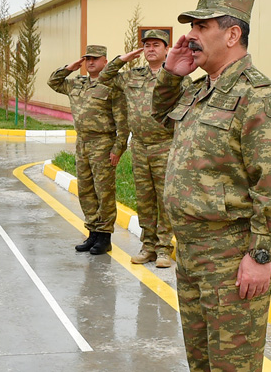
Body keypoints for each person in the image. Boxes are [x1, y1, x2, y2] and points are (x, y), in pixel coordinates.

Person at [152, 0, 271, 371]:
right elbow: (158, 118)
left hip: (229, 259)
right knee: (199, 362)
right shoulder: (200, 90)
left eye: (202, 26)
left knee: (232, 366)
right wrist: (171, 74)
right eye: (192, 26)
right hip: (190, 252)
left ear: (232, 35)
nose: (191, 36)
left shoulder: (259, 97)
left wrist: (260, 256)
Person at [99, 30, 189, 268]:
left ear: (166, 49)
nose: (151, 49)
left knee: (164, 199)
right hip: (139, 146)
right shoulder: (131, 76)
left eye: (156, 45)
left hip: (165, 145)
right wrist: (123, 59)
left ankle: (163, 249)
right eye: (147, 45)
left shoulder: (176, 77)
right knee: (144, 198)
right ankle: (148, 246)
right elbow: (104, 78)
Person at [48, 45, 129, 255]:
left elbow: (122, 120)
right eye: (87, 59)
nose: (91, 62)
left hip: (103, 143)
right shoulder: (77, 83)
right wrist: (70, 68)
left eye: (95, 58)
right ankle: (92, 231)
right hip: (82, 142)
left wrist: (119, 147)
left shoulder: (112, 86)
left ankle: (105, 236)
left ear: (105, 61)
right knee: (85, 189)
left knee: (104, 191)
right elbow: (53, 82)